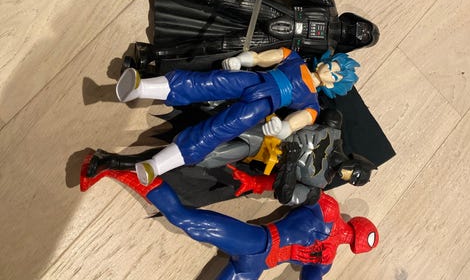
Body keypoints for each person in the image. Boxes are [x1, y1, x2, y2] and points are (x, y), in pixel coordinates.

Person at [115, 48, 360, 185]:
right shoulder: (294, 58)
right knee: (207, 83)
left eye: (336, 75)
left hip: (262, 106)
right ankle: (141, 87)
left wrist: (280, 128)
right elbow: (263, 58)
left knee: (217, 131)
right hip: (253, 79)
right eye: (335, 65)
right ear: (329, 60)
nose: (331, 71)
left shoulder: (312, 104)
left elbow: (294, 124)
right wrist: (242, 60)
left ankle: (157, 165)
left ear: (334, 85)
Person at [80, 168, 379, 279]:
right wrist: (255, 182)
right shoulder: (328, 218)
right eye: (351, 236)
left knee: (185, 219)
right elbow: (294, 188)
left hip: (254, 264)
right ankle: (111, 168)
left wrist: (257, 183)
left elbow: (292, 189)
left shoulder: (327, 251)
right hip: (259, 244)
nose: (346, 237)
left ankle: (111, 168)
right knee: (186, 220)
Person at [83, 108, 377, 206]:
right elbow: (313, 110)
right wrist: (288, 126)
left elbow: (286, 195)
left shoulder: (316, 188)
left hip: (259, 151)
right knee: (209, 129)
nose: (348, 175)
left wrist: (289, 163)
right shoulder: (334, 128)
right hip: (264, 127)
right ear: (356, 159)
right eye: (355, 172)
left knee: (199, 155)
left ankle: (113, 161)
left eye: (353, 180)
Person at [122, 0, 378, 76]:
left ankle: (154, 54)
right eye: (363, 28)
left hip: (271, 42)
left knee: (216, 47)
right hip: (274, 11)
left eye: (362, 37)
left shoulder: (326, 52)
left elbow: (294, 63)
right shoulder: (328, 6)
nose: (358, 32)